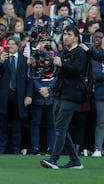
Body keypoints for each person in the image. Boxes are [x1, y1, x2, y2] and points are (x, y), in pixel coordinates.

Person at [40, 25, 86, 169]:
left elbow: (78, 70)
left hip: (72, 95)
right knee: (61, 128)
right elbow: (58, 76)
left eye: (69, 34)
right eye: (64, 34)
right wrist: (50, 87)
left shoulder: (80, 53)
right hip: (61, 94)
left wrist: (62, 65)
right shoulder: (64, 52)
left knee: (60, 127)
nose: (65, 36)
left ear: (76, 37)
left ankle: (54, 159)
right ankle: (74, 160)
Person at [0, 35, 33, 154]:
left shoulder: (24, 60)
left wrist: (29, 95)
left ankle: (16, 149)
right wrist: (0, 60)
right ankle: (2, 148)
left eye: (12, 44)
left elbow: (29, 79)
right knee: (3, 124)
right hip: (5, 95)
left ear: (18, 46)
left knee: (17, 123)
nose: (10, 46)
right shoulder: (1, 58)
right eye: (8, 44)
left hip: (18, 95)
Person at [90, 29, 104, 157]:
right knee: (101, 122)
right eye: (95, 36)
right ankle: (98, 148)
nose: (97, 39)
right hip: (100, 93)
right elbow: (96, 74)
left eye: (100, 37)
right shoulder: (94, 54)